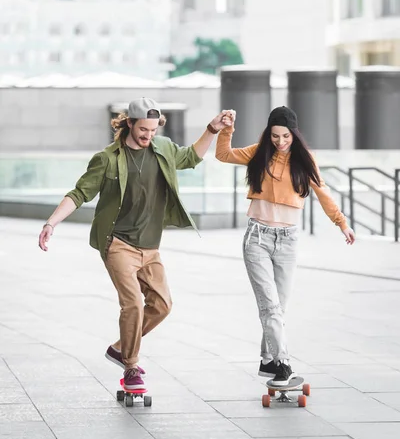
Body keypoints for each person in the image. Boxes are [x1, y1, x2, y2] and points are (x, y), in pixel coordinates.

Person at [38, 97, 234, 391]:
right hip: (117, 244)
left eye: (153, 131)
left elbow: (192, 157)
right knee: (132, 305)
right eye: (143, 129)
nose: (148, 136)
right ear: (129, 123)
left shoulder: (164, 149)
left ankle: (120, 347)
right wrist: (51, 222)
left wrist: (212, 129)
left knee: (163, 305)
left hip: (151, 246)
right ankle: (131, 366)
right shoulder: (107, 158)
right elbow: (79, 193)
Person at [216, 106, 355, 386]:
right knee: (270, 307)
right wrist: (227, 129)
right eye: (275, 136)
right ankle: (283, 363)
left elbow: (322, 192)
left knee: (279, 308)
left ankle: (267, 361)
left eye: (285, 136)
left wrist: (341, 223)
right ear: (269, 134)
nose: (280, 142)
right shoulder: (258, 153)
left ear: (294, 134)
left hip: (288, 240)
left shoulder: (304, 161)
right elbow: (222, 154)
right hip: (257, 238)